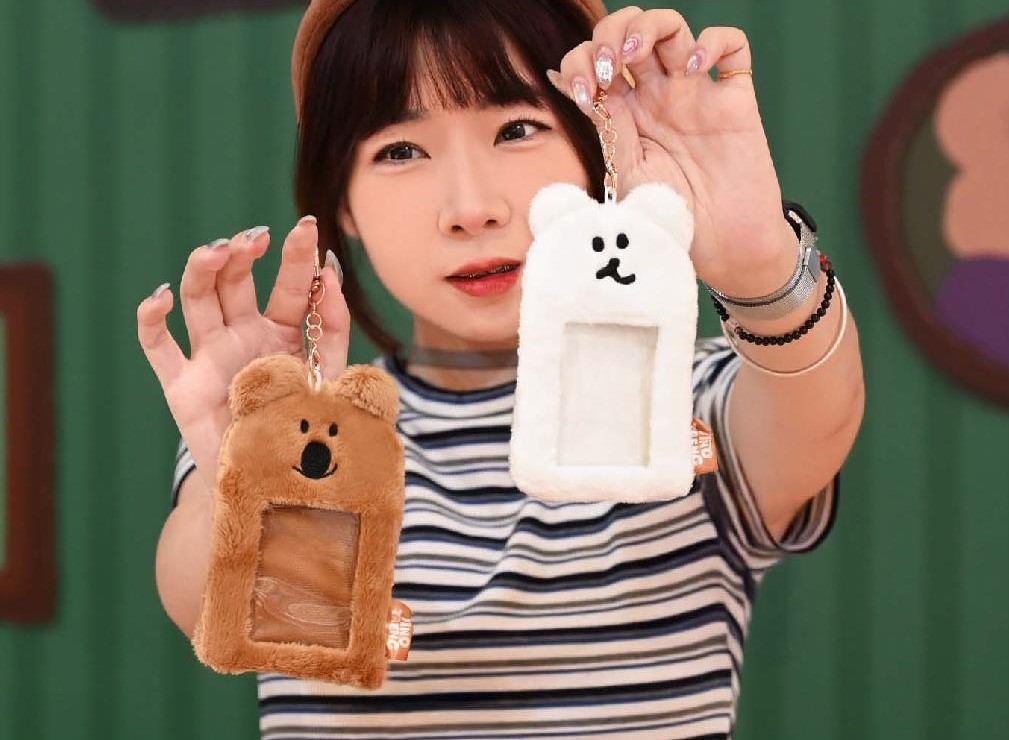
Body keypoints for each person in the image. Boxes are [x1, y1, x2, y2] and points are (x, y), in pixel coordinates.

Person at [136, 0, 865, 737]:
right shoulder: (301, 432)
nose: (471, 207)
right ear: (341, 201)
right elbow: (210, 604)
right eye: (400, 150)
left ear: (595, 148)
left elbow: (815, 413)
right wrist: (252, 479)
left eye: (516, 129)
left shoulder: (685, 406)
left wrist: (760, 264)